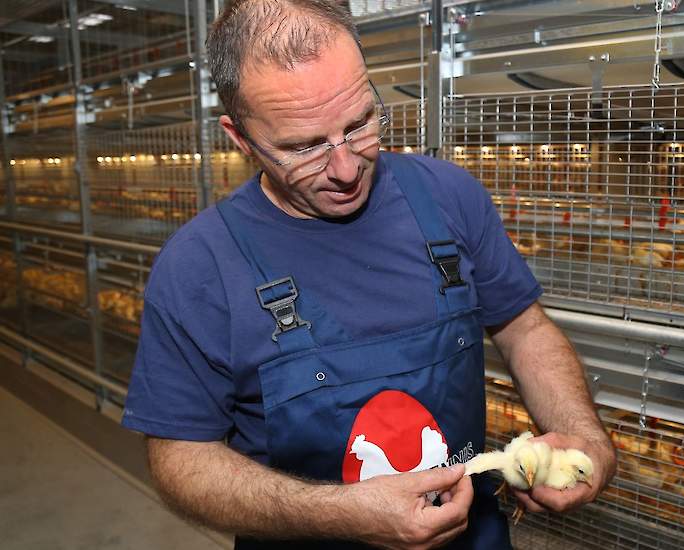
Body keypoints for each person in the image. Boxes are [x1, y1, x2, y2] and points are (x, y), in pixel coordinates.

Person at [121, 1, 616, 548]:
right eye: (303, 146)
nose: (346, 166)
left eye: (359, 123)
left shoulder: (448, 196)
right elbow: (180, 459)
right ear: (240, 139)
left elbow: (524, 329)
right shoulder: (199, 267)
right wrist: (339, 514)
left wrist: (584, 436)